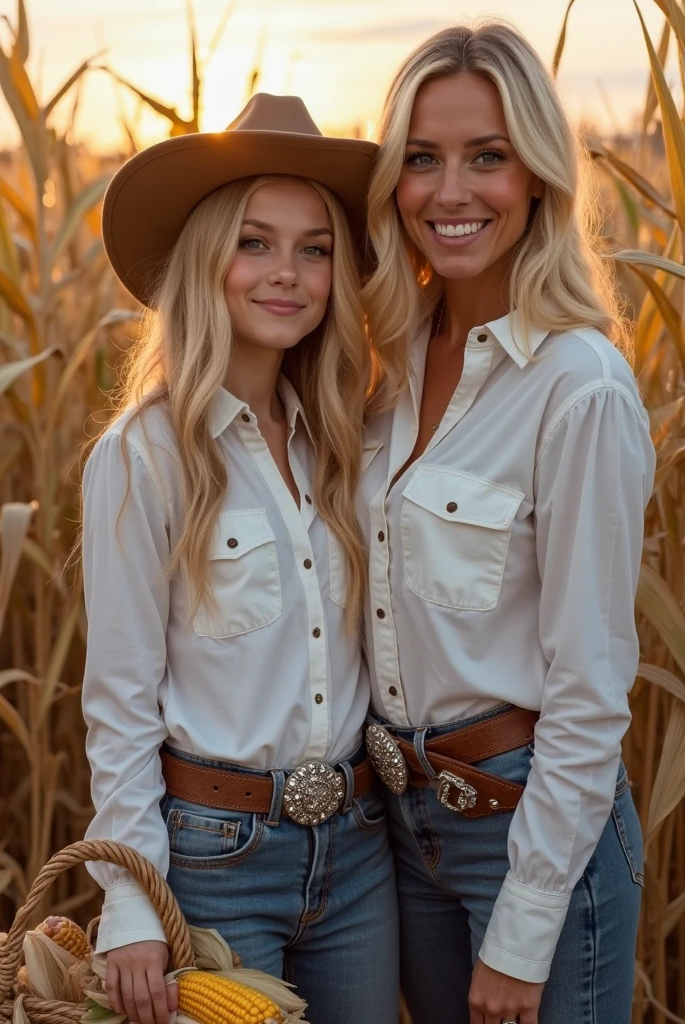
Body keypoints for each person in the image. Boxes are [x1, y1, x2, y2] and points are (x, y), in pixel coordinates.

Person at [359, 22, 655, 1024]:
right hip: (400, 832)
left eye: (486, 157)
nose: (450, 193)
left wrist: (525, 925)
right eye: (421, 159)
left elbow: (590, 686)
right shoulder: (380, 370)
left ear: (536, 176)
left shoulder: (579, 388)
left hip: (532, 836)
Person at [81, 93, 399, 1024]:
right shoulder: (142, 457)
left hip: (358, 848)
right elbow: (119, 702)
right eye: (255, 242)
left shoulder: (338, 442)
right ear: (206, 258)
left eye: (315, 247)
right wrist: (131, 901)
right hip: (215, 859)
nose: (287, 273)